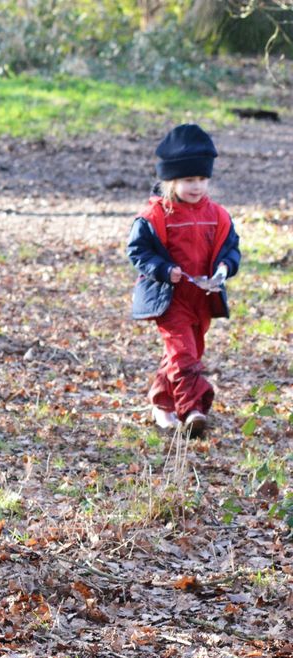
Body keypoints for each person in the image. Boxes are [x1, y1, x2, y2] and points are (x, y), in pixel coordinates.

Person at [128, 123, 240, 436]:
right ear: (171, 180)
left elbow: (231, 251)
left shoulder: (217, 214)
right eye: (189, 180)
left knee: (188, 352)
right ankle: (193, 409)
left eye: (202, 179)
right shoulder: (155, 216)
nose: (197, 186)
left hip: (202, 297)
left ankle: (162, 405)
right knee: (183, 354)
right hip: (169, 298)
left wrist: (223, 270)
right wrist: (165, 270)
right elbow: (138, 252)